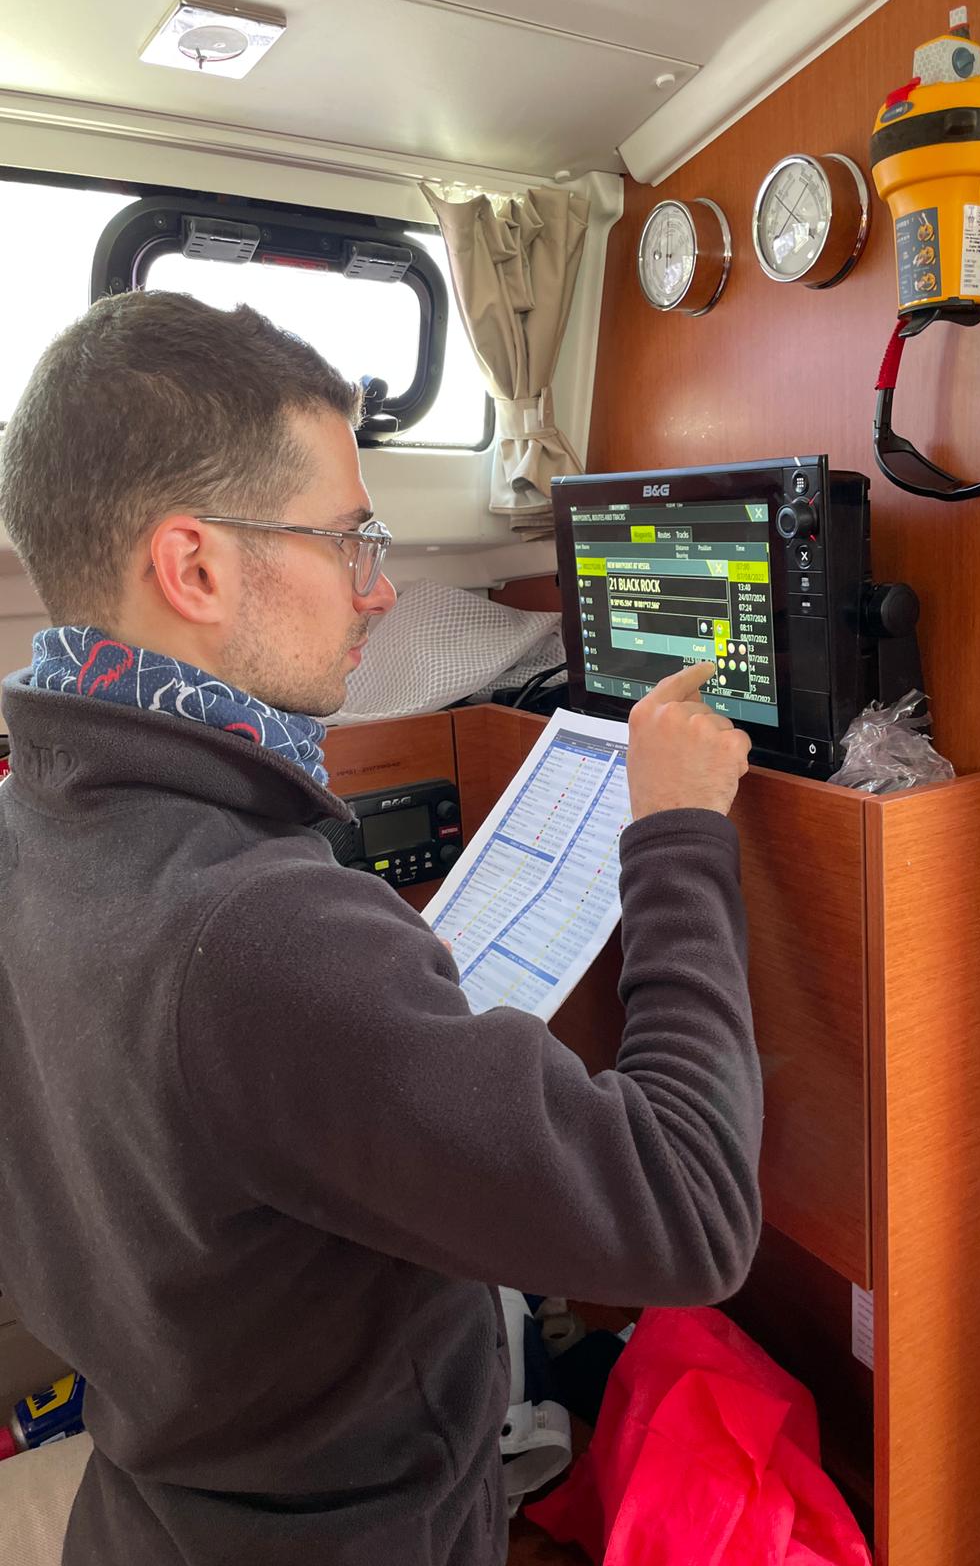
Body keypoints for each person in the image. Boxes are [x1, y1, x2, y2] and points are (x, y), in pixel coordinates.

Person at [0, 291, 762, 1566]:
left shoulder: (33, 821)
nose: (382, 591)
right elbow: (688, 1208)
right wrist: (680, 834)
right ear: (195, 566)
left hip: (150, 1502)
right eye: (350, 540)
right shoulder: (257, 938)